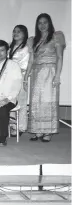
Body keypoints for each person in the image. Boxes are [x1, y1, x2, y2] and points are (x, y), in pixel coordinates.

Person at [25, 13, 66, 142]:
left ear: (50, 23)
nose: (42, 25)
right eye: (40, 23)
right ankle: (37, 131)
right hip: (36, 73)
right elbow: (31, 60)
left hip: (50, 71)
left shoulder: (56, 36)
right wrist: (26, 77)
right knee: (36, 102)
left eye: (45, 22)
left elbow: (59, 57)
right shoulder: (33, 39)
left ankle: (48, 132)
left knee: (48, 102)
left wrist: (57, 76)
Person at [8, 25, 30, 137]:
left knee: (21, 103)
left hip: (21, 77)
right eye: (14, 31)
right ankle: (12, 126)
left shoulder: (26, 48)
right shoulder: (10, 47)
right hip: (10, 78)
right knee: (11, 102)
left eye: (19, 32)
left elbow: (25, 65)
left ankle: (21, 127)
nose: (16, 34)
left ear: (25, 34)